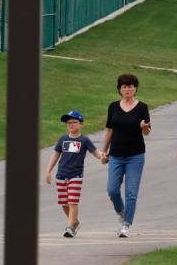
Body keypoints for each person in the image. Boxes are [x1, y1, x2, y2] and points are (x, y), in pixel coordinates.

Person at [102, 73, 151, 238]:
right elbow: (109, 130)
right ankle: (122, 213)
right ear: (119, 89)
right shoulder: (113, 107)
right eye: (124, 86)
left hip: (135, 156)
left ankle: (126, 225)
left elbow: (147, 132)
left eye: (130, 86)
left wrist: (144, 127)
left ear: (135, 88)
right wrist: (104, 151)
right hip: (116, 155)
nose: (128, 89)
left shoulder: (142, 107)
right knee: (112, 190)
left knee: (131, 192)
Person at [44, 110, 104, 238]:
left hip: (75, 176)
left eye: (74, 122)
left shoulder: (84, 140)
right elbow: (55, 155)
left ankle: (70, 227)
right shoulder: (62, 139)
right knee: (64, 203)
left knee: (72, 201)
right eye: (68, 123)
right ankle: (75, 221)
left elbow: (96, 153)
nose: (71, 125)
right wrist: (48, 171)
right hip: (61, 175)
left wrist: (103, 157)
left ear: (81, 124)